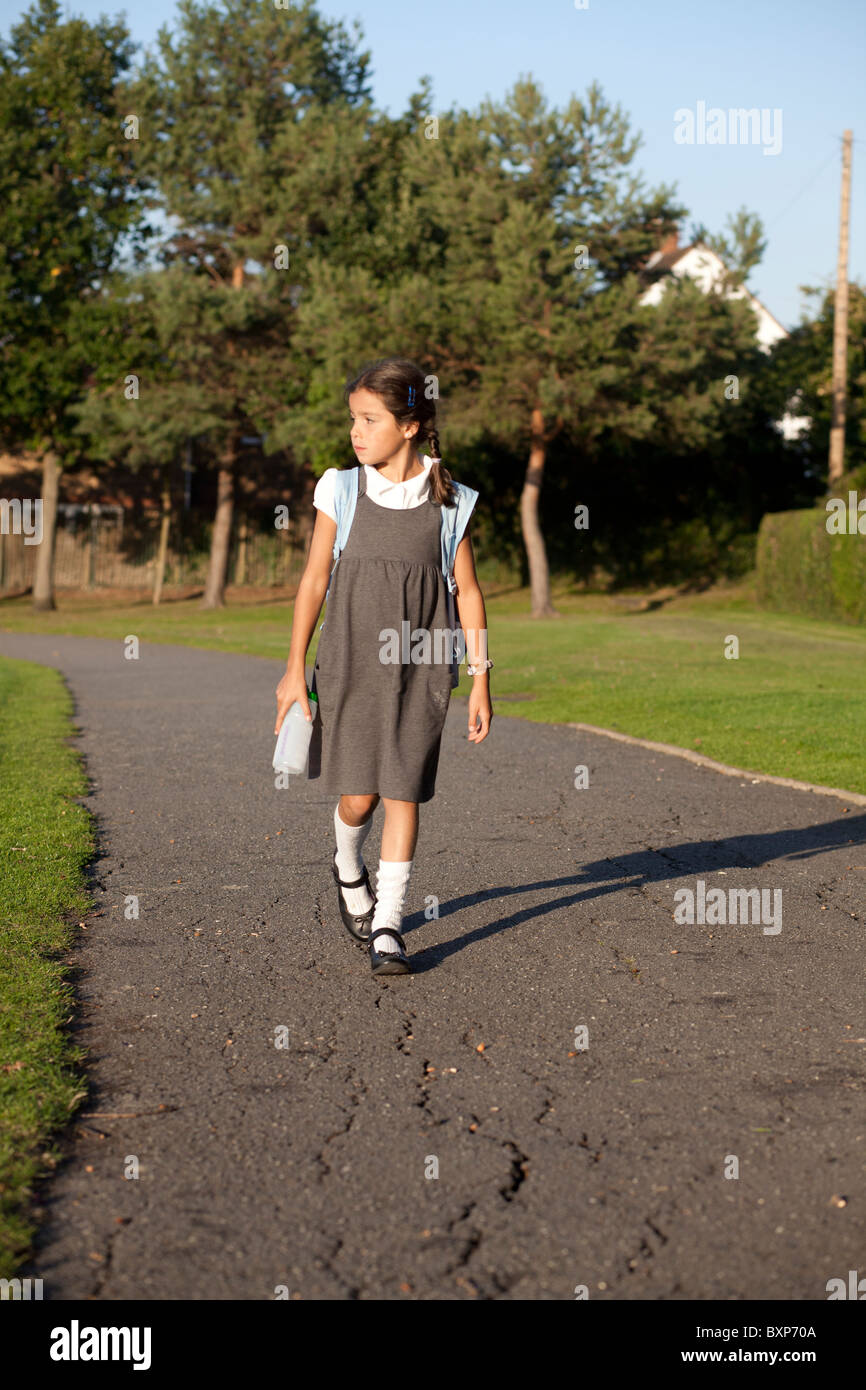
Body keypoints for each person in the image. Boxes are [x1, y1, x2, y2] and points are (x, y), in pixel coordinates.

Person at [275, 357, 493, 976]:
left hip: (424, 663)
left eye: (369, 419)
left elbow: (469, 592)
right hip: (348, 659)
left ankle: (390, 924)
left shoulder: (453, 500)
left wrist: (480, 678)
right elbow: (314, 579)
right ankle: (348, 865)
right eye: (353, 419)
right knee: (360, 798)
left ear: (410, 425)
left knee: (404, 789)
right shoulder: (339, 488)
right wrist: (295, 670)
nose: (356, 431)